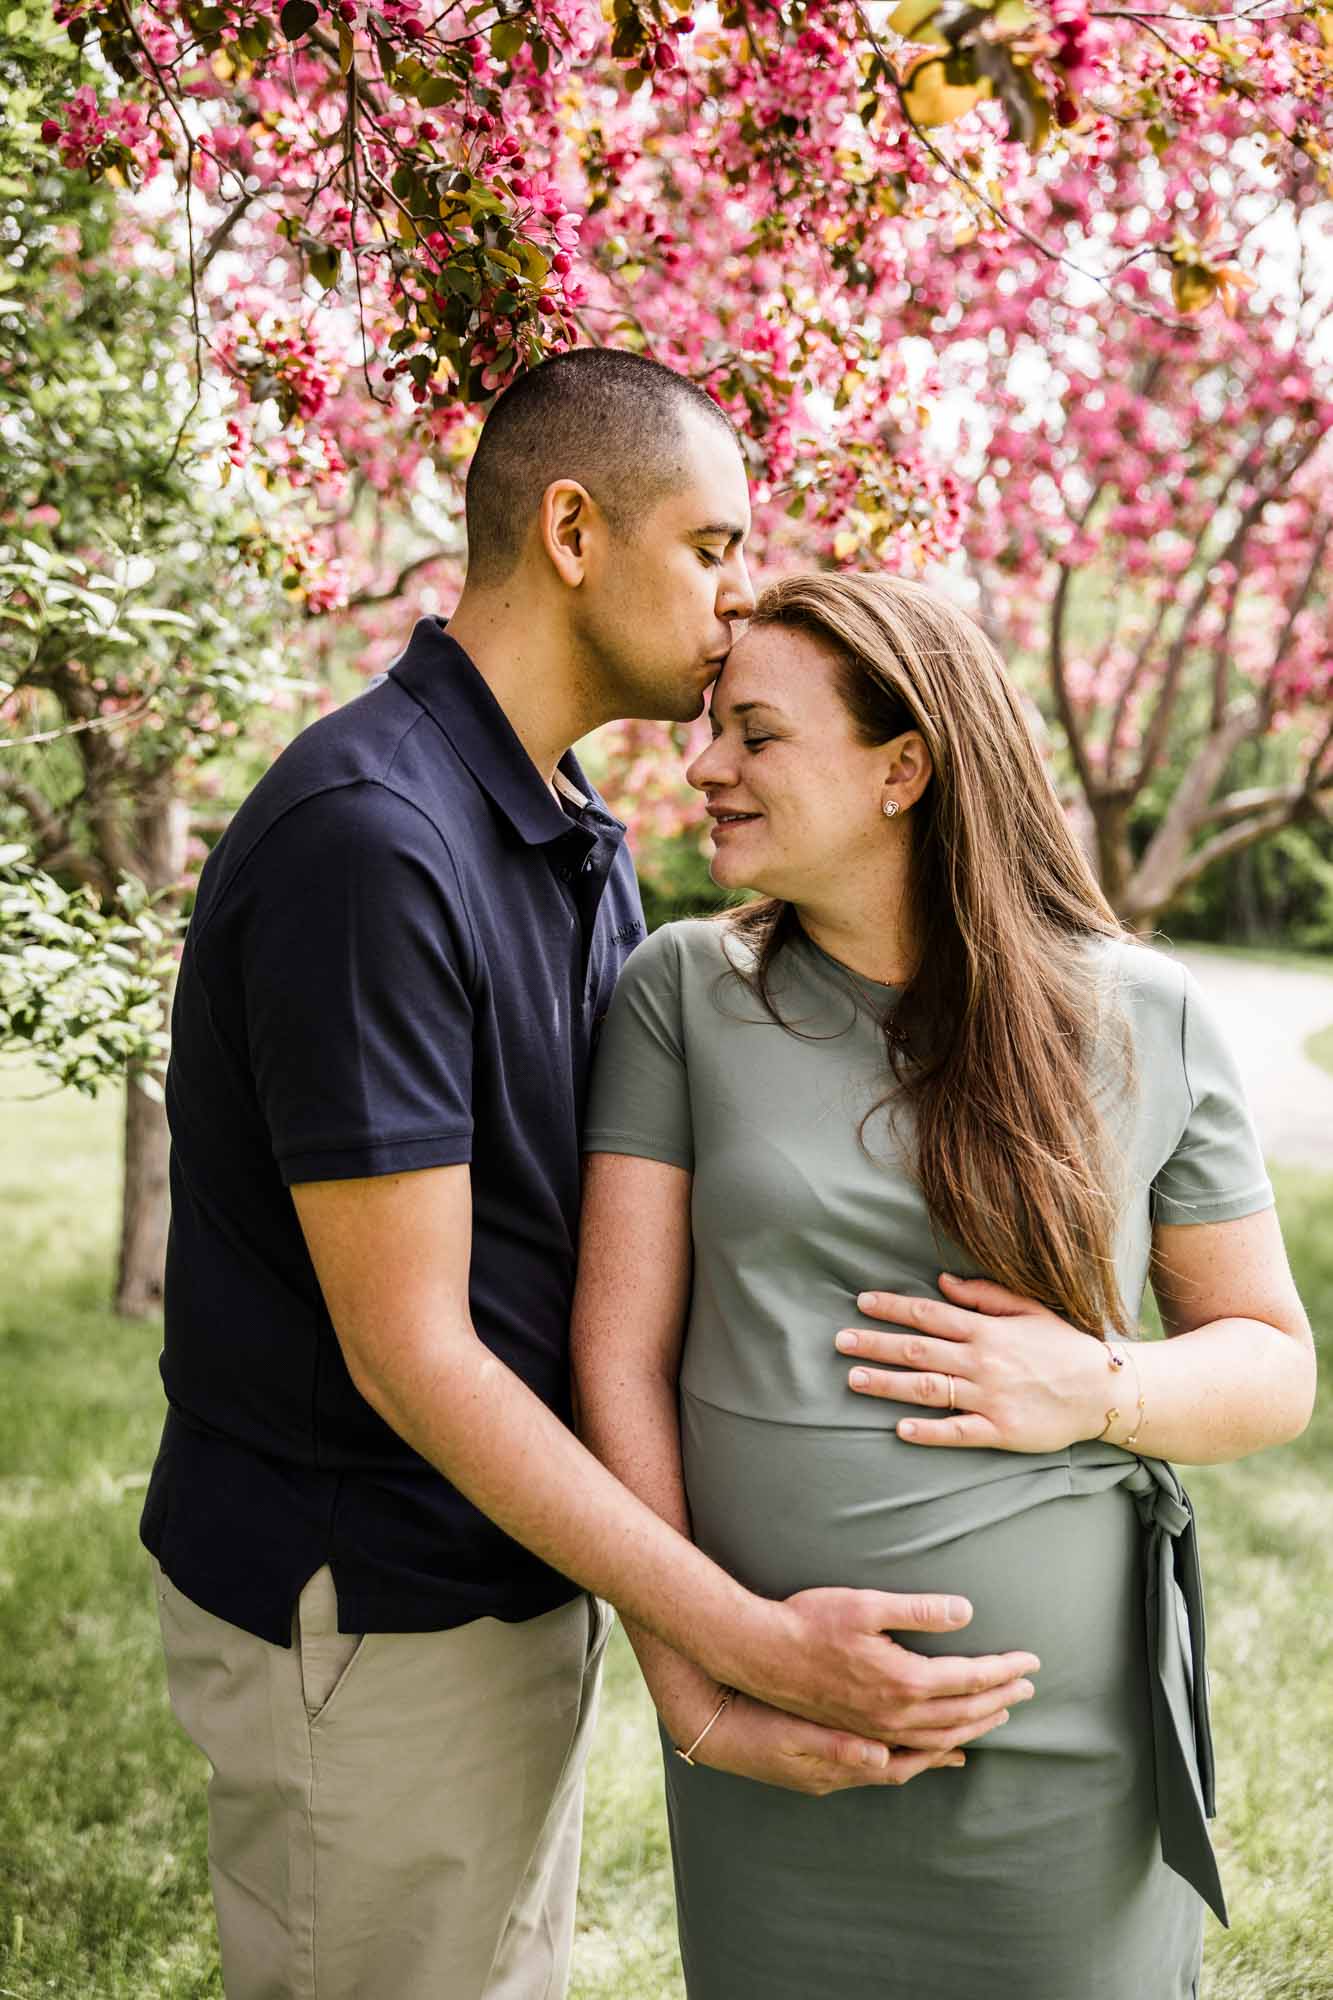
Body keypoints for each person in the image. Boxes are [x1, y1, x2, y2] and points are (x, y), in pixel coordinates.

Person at [140, 356, 1042, 2000]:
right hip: (372, 1610)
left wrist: (676, 1664)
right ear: (571, 530)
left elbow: (575, 1287)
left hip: (504, 1577)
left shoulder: (565, 836)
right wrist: (740, 1643)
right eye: (711, 545)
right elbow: (412, 1350)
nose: (737, 591)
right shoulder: (372, 839)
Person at [573, 569, 1317, 2000]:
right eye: (709, 728)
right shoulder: (681, 994)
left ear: (901, 766)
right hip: (775, 1737)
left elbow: (1270, 1364)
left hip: (1055, 1750)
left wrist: (1100, 1385)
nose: (700, 763)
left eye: (754, 733)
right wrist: (703, 1697)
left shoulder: (1140, 1013)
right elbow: (614, 1361)